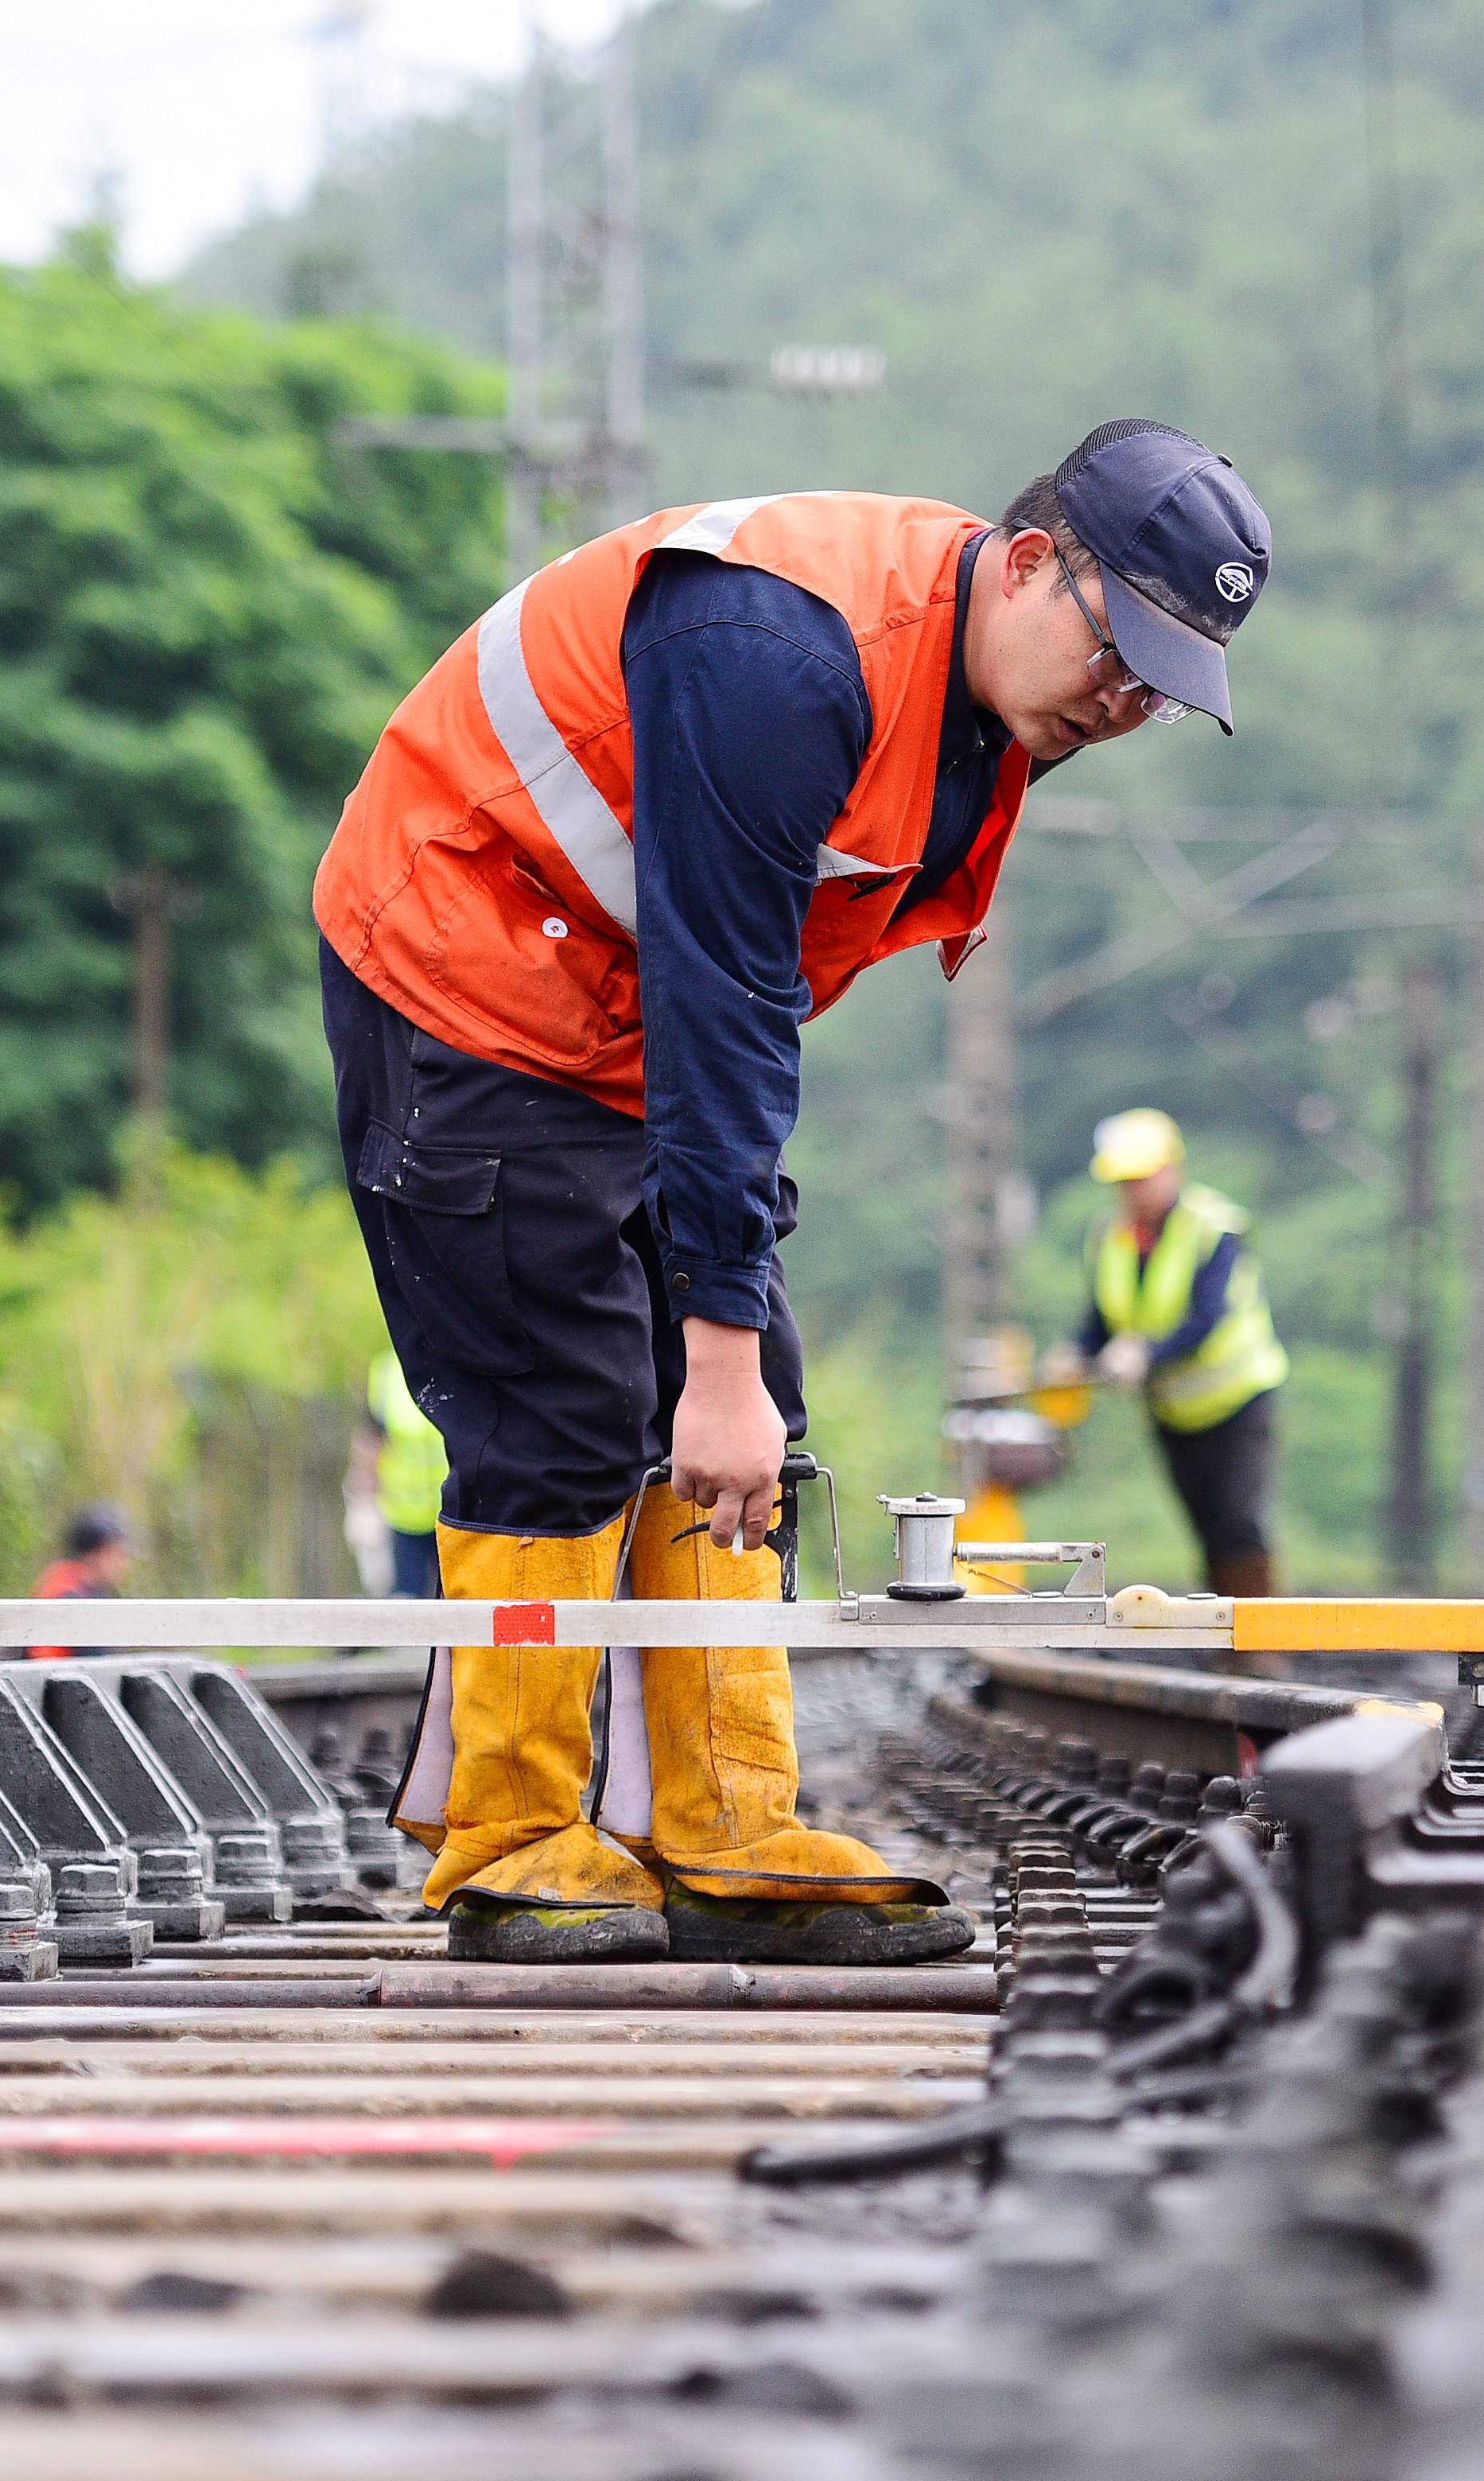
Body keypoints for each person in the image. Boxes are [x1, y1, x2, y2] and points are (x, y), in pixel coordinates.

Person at [314, 422, 1272, 1966]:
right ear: (1030, 562)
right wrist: (710, 1354)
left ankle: (723, 1819)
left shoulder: (984, 706)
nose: (1127, 701)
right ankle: (505, 1836)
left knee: (754, 1398)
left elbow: (730, 1017)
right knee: (560, 1399)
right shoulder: (775, 651)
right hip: (467, 962)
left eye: (1164, 683)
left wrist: (726, 1350)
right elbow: (724, 996)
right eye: (1121, 649)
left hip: (620, 1005)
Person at [1057, 1108, 1289, 1598]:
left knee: (1238, 1522)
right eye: (1124, 1181)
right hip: (1172, 1409)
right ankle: (1226, 1636)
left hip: (1238, 1401)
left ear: (1171, 1169)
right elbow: (1103, 1318)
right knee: (1206, 1527)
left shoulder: (1215, 1228)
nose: (1133, 1191)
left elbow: (1207, 1318)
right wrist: (1075, 1354)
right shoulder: (1110, 1238)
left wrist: (1147, 1352)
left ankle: (1261, 1643)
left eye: (1142, 1178)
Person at [354, 1347, 448, 1598]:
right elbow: (372, 1438)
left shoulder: (456, 1361)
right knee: (408, 1600)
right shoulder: (386, 1372)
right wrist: (363, 1502)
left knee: (453, 1603)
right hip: (403, 1514)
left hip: (452, 1513)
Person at [21, 1503, 134, 1662]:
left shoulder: (66, 1581)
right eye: (119, 1554)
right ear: (98, 1553)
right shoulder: (66, 1593)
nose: (124, 1564)